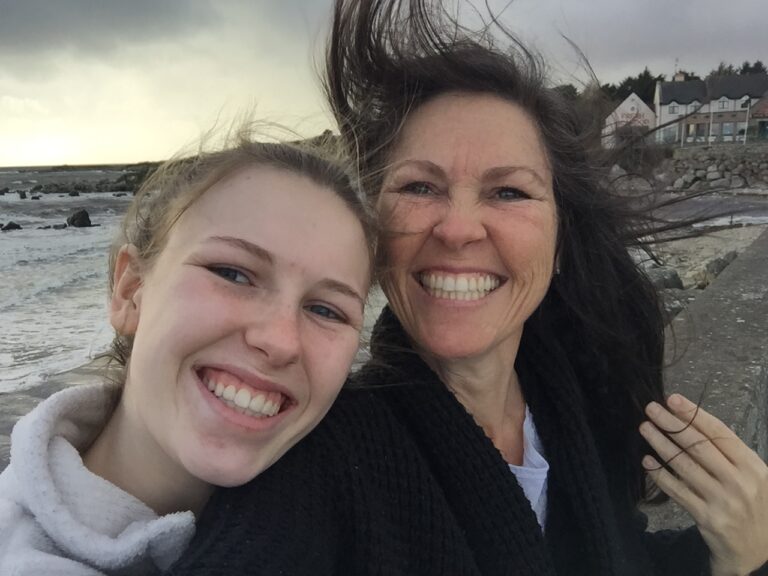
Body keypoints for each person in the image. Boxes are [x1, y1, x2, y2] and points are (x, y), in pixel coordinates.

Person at [167, 1, 768, 575]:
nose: (456, 229)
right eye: (419, 188)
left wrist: (736, 555)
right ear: (374, 237)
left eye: (508, 192)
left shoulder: (578, 389)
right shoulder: (323, 458)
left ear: (561, 240)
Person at [0, 134, 374, 575]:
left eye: (326, 310)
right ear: (131, 291)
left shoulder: (365, 511)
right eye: (233, 273)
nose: (280, 341)